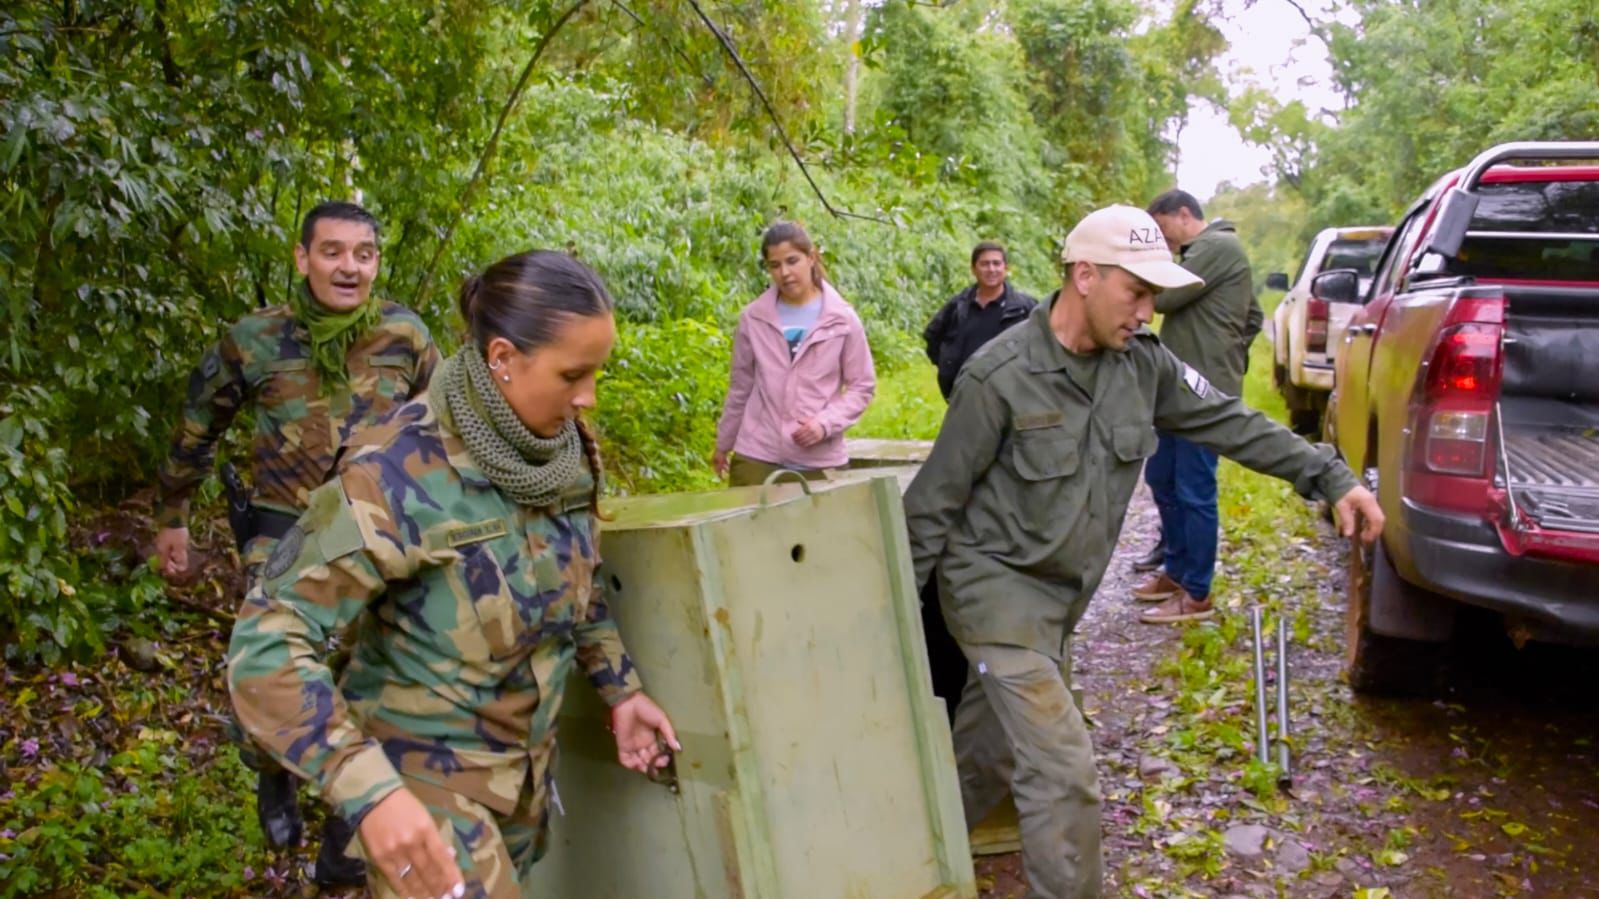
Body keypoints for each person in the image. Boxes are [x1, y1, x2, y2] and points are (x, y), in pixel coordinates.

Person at [903, 204, 1383, 899]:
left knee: (985, 757)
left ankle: (895, 859)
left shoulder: (1142, 366)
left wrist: (1330, 476)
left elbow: (1230, 420)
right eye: (1136, 291)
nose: (1147, 311)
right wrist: (885, 632)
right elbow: (931, 505)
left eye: (1154, 295)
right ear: (1085, 276)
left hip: (1059, 603)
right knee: (1062, 770)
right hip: (994, 595)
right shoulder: (997, 376)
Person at [227, 250, 681, 899]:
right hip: (422, 783)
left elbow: (573, 580)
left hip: (520, 779)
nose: (588, 397)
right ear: (502, 357)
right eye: (572, 375)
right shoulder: (392, 470)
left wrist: (622, 689)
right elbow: (266, 640)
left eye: (595, 373)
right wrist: (369, 791)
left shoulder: (559, 452)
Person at [152, 200, 438, 884]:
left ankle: (347, 831)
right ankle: (272, 767)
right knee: (274, 674)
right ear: (302, 258)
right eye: (332, 252)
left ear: (377, 262)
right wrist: (172, 513)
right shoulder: (254, 338)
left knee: (377, 679)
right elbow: (198, 424)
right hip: (285, 533)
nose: (348, 267)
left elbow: (442, 428)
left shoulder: (405, 334)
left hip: (379, 530)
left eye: (362, 254)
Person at [1132, 189, 1265, 624]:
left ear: (1184, 214)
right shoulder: (1206, 252)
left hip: (1203, 395)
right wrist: (1226, 344)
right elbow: (1253, 316)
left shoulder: (1217, 246)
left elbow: (1165, 298)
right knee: (1162, 477)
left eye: (1162, 227)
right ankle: (1176, 571)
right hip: (1178, 390)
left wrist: (1220, 361)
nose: (1162, 238)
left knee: (1193, 488)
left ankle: (1196, 593)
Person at [713, 221, 877, 486]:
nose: (785, 273)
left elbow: (862, 386)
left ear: (811, 258)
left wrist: (824, 424)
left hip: (820, 460)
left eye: (792, 261)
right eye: (775, 265)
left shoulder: (842, 319)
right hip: (757, 455)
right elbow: (740, 387)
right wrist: (724, 443)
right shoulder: (753, 318)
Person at [923, 241, 1038, 401]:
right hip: (964, 392)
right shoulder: (958, 306)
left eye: (996, 263)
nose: (991, 269)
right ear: (973, 269)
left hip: (1011, 394)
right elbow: (933, 336)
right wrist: (948, 366)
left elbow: (1043, 345)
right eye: (984, 264)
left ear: (1006, 268)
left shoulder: (1025, 308)